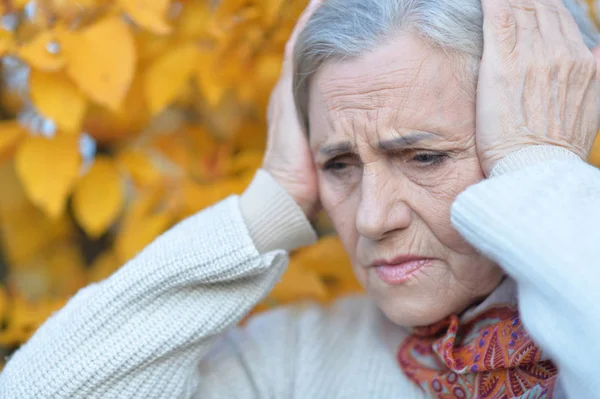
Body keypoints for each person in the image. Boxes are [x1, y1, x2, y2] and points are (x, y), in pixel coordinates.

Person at [1, 0, 600, 397]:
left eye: (424, 157)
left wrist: (539, 167)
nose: (371, 218)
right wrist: (273, 199)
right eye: (338, 164)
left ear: (548, 118)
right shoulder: (292, 364)